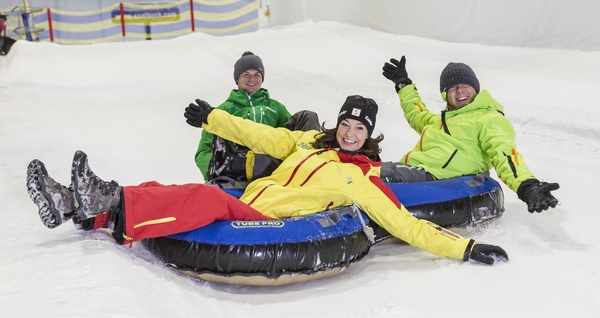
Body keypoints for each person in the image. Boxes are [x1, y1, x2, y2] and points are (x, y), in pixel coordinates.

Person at [26, 95, 508, 265]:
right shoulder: (310, 144)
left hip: (268, 216)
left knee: (200, 197)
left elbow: (406, 225)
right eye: (345, 123)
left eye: (358, 128)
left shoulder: (358, 180)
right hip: (254, 197)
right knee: (175, 188)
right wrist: (212, 118)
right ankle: (77, 203)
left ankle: (101, 198)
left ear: (369, 136)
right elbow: (261, 133)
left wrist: (463, 249)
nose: (349, 131)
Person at [381, 56, 560, 214]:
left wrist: (526, 185)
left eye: (465, 85)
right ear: (445, 94)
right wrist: (403, 84)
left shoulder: (488, 118)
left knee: (378, 173)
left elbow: (503, 151)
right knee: (364, 166)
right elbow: (416, 114)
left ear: (475, 88)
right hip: (415, 171)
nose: (460, 91)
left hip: (437, 177)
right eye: (452, 88)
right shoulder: (440, 121)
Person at [195, 51, 320, 185]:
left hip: (274, 161)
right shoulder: (223, 110)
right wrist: (213, 170)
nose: (252, 79)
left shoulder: (276, 107)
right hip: (240, 166)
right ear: (237, 78)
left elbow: (293, 138)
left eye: (257, 75)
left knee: (308, 116)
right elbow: (204, 151)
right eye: (246, 74)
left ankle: (313, 164)